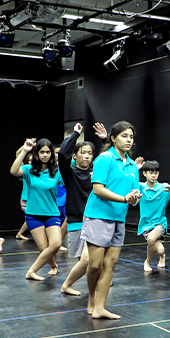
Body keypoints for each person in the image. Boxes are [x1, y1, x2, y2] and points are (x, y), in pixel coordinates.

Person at [82, 121, 143, 319]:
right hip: (99, 216)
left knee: (111, 264)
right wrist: (124, 198)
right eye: (124, 136)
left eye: (131, 137)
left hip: (119, 219)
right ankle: (91, 296)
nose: (128, 140)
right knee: (95, 265)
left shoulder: (133, 165)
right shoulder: (104, 159)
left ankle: (100, 307)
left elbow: (133, 192)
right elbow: (98, 189)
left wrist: (134, 197)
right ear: (113, 138)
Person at [58, 122, 107, 296]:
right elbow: (63, 154)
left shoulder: (96, 174)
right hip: (77, 221)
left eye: (89, 153)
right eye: (83, 153)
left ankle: (95, 285)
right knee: (86, 260)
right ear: (75, 156)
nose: (86, 156)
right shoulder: (70, 174)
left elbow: (109, 159)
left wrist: (104, 140)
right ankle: (66, 285)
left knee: (93, 262)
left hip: (95, 220)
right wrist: (75, 134)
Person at [10, 138, 65, 281]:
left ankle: (32, 271)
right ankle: (54, 266)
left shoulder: (57, 173)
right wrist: (24, 150)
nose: (45, 155)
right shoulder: (29, 170)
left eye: (48, 152)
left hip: (52, 214)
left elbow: (71, 180)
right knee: (43, 248)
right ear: (37, 154)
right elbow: (14, 170)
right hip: (33, 216)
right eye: (42, 152)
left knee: (56, 244)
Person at [137, 160, 170, 272]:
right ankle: (162, 256)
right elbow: (126, 180)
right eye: (151, 173)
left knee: (151, 238)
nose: (153, 175)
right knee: (159, 250)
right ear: (144, 174)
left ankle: (147, 262)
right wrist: (136, 167)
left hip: (160, 223)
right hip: (146, 225)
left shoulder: (164, 188)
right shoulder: (140, 187)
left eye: (156, 173)